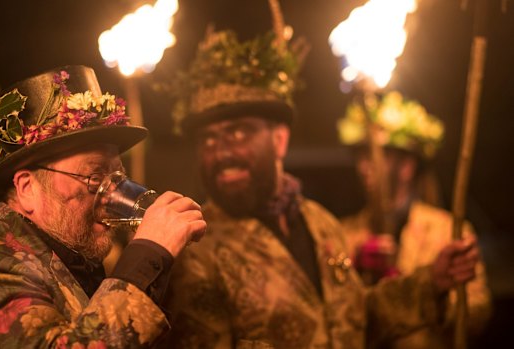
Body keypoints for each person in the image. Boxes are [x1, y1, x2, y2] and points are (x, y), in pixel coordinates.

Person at [160, 29, 480, 348]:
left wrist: (431, 284)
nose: (221, 151)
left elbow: (355, 322)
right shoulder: (196, 247)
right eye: (208, 139)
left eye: (239, 133)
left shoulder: (321, 223)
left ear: (279, 140)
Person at [0, 65, 206, 348]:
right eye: (94, 178)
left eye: (118, 177)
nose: (112, 193)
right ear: (27, 189)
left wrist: (166, 267)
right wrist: (147, 254)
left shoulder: (68, 260)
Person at [337, 91, 492, 348]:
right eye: (361, 157)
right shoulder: (343, 233)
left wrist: (433, 293)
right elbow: (334, 317)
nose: (364, 167)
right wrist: (354, 268)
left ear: (407, 166)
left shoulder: (449, 232)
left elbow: (476, 314)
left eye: (377, 156)